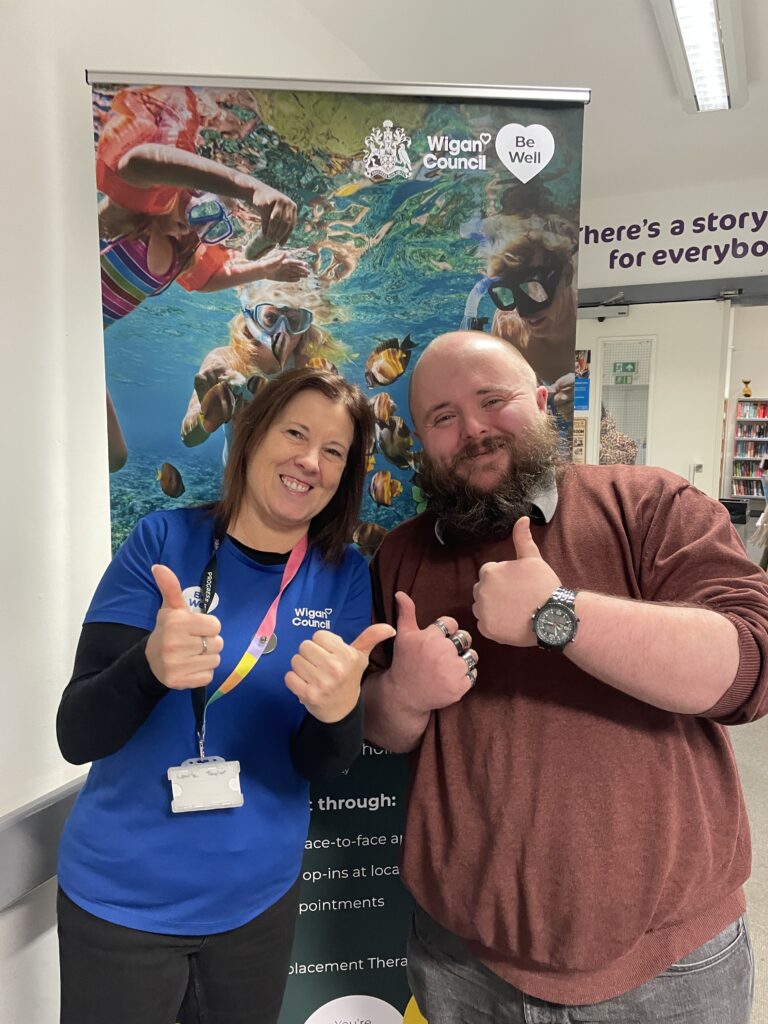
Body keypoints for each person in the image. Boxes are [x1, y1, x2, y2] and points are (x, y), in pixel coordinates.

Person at [363, 330, 768, 1023]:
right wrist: (402, 694)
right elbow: (381, 728)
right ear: (421, 440)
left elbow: (750, 667)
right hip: (461, 961)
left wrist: (561, 615)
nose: (473, 430)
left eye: (493, 400)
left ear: (544, 402)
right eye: (443, 417)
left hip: (669, 970)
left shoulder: (649, 504)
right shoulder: (400, 556)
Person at [56, 368, 394, 1024]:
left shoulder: (344, 576)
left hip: (256, 909)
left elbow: (323, 763)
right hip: (120, 905)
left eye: (333, 451)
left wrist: (337, 714)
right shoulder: (161, 541)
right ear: (251, 435)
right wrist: (148, 667)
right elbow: (77, 734)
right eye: (295, 434)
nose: (310, 460)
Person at [96, 85, 308, 470]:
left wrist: (264, 269)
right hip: (40, 307)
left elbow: (212, 277)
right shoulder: (128, 214)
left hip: (79, 339)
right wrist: (253, 190)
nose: (194, 226)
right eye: (202, 207)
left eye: (213, 225)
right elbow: (138, 161)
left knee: (114, 458)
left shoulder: (180, 253)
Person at [180, 281, 350, 453]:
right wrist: (206, 418)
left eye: (294, 321)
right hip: (237, 470)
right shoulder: (225, 361)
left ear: (306, 326)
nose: (282, 331)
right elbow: (188, 439)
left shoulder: (312, 369)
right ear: (251, 316)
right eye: (271, 318)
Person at [484, 225, 578, 423]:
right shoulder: (508, 328)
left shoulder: (590, 326)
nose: (524, 313)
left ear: (567, 275)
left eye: (537, 288)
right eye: (512, 293)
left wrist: (591, 403)